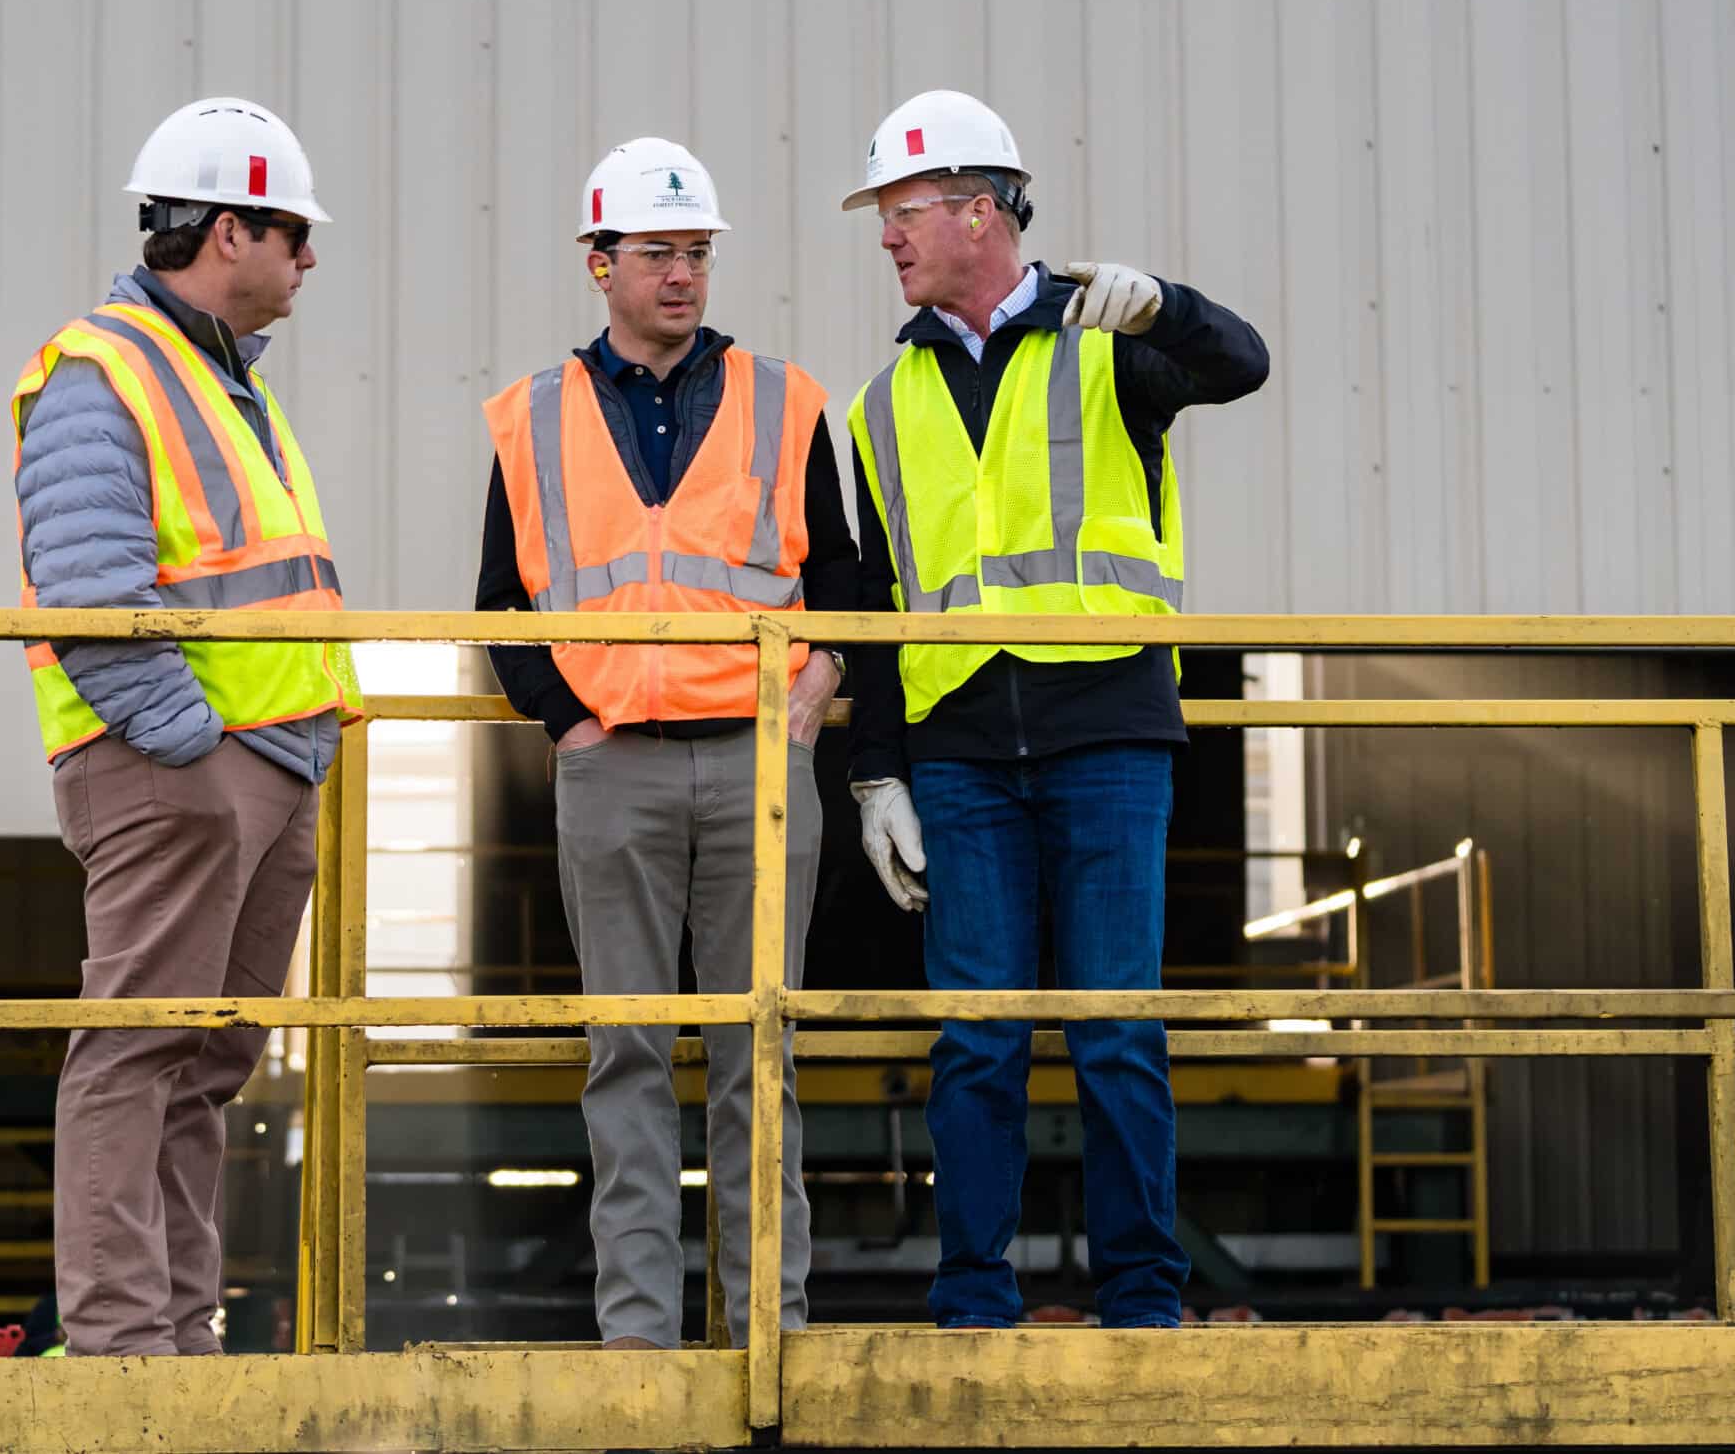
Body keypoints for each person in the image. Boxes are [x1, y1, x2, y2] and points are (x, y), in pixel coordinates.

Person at [839, 89, 1269, 1329]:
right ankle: (974, 1296)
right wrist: (878, 775)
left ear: (982, 213)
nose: (886, 238)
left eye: (903, 212)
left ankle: (1143, 1295)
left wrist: (1168, 304)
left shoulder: (1106, 344)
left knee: (1113, 1030)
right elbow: (872, 604)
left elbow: (1240, 363)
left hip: (1106, 741)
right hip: (964, 757)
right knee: (974, 1039)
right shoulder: (881, 407)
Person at [477, 137, 863, 1349]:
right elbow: (498, 605)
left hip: (759, 763)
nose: (683, 276)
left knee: (763, 1055)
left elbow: (851, 579)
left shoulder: (785, 401)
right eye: (657, 253)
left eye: (696, 253)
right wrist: (569, 720)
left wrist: (821, 687)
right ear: (599, 264)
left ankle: (767, 1338)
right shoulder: (532, 416)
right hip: (612, 764)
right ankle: (638, 1344)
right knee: (626, 1054)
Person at [10, 97, 361, 1356]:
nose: (308, 257)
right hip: (183, 770)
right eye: (292, 233)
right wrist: (195, 757)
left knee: (203, 1070)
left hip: (263, 767)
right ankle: (118, 1346)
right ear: (227, 232)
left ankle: (175, 1330)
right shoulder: (102, 371)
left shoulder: (217, 379)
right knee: (139, 1049)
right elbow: (94, 591)